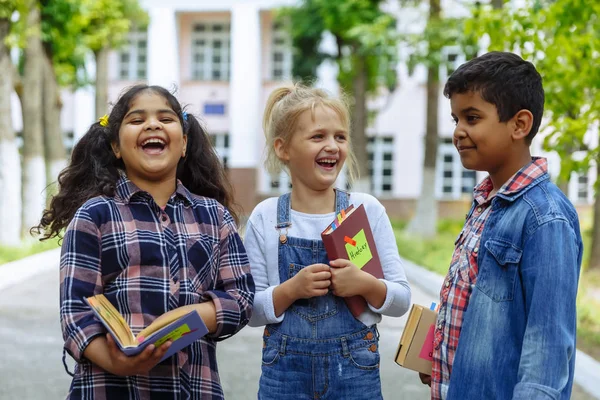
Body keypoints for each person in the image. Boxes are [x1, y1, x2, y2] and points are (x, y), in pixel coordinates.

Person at [33, 84, 255, 399]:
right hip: (108, 388)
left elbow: (242, 296)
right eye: (137, 120)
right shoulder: (95, 216)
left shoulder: (214, 216)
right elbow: (75, 313)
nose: (152, 125)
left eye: (166, 118)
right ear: (115, 147)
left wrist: (197, 316)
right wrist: (115, 360)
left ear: (184, 144)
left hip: (194, 390)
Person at [419, 52, 583, 399]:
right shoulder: (485, 201)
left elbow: (547, 350)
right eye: (455, 119)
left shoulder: (546, 218)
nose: (459, 132)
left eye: (472, 117)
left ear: (519, 125)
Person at [244, 83, 411, 399]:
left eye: (340, 136)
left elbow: (401, 299)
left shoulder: (365, 210)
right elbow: (249, 310)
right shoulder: (264, 217)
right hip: (284, 374)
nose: (332, 145)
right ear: (283, 149)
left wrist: (364, 284)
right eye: (318, 136)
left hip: (355, 369)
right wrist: (290, 290)